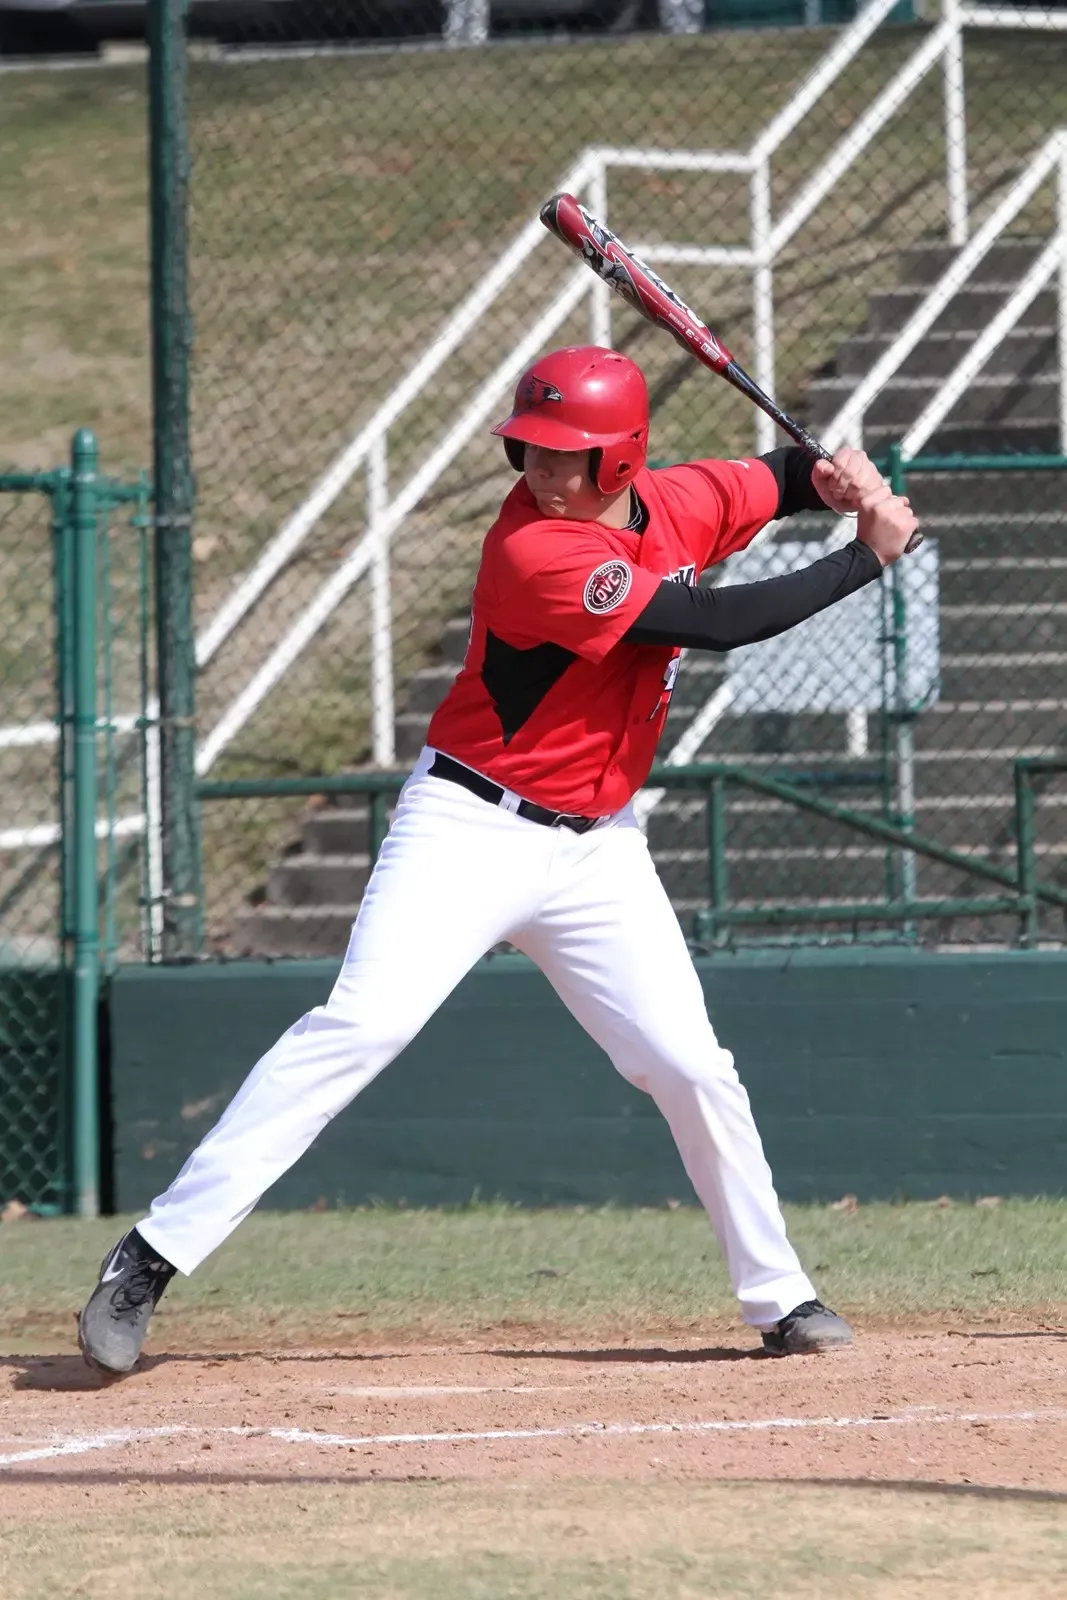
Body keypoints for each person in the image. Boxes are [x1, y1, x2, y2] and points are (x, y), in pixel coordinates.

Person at [78, 345, 918, 1378]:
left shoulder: (681, 498)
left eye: (567, 457)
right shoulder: (532, 553)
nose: (540, 471)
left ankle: (779, 1295)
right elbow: (715, 622)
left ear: (623, 461)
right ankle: (149, 1255)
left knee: (690, 1065)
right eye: (528, 449)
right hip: (470, 826)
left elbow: (770, 479)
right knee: (360, 1024)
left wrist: (825, 479)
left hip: (599, 847)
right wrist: (865, 556)